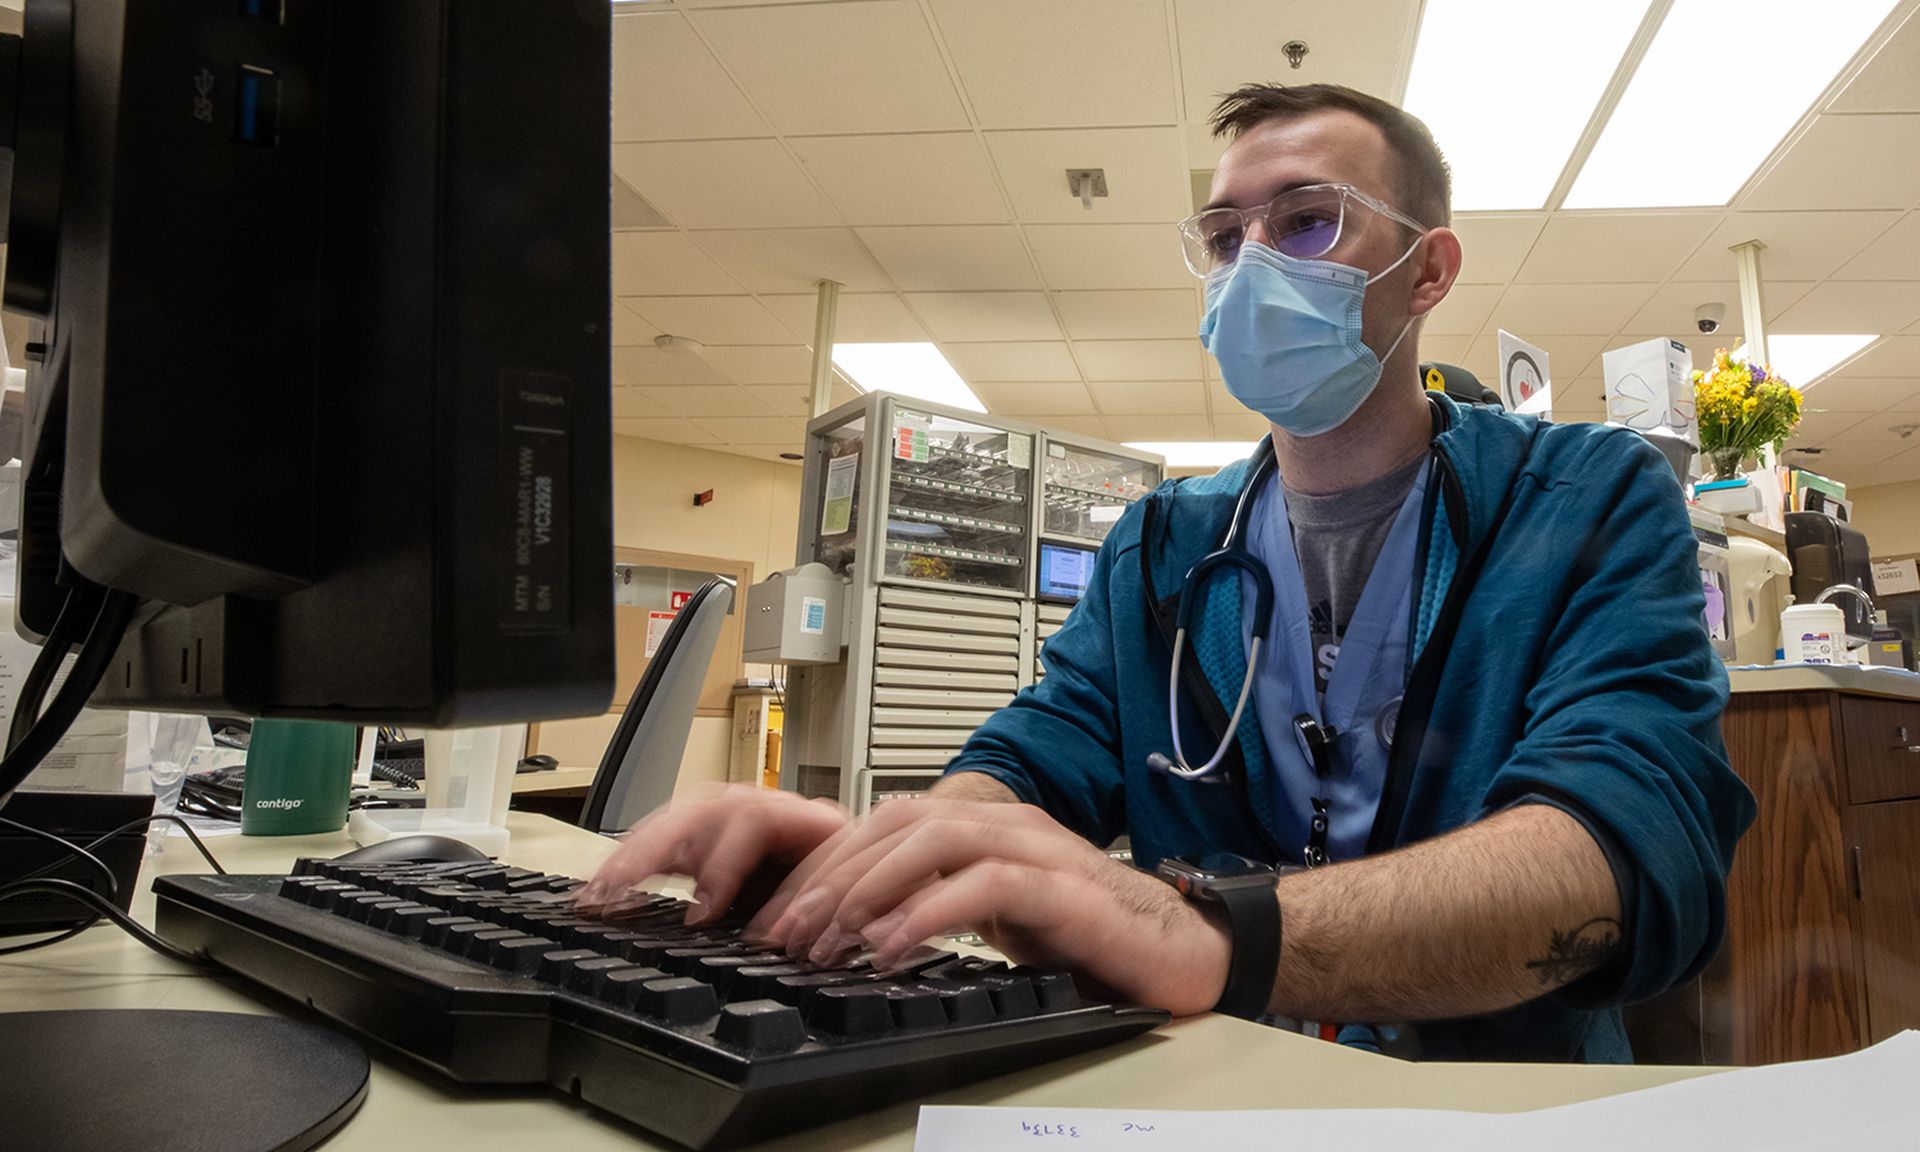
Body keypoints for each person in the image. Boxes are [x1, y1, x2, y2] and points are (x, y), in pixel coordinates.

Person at [585, 82, 1755, 1063]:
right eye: (1223, 236)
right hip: (1212, 1077)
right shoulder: (1164, 544)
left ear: (1428, 269)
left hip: (1485, 1096)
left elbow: (1629, 843)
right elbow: (1041, 754)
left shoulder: (1586, 499)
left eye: (1306, 222)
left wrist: (1210, 932)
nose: (1252, 266)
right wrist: (881, 857)